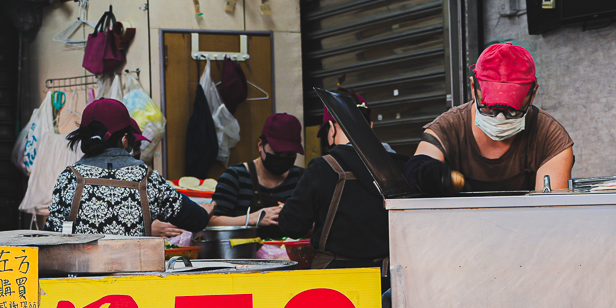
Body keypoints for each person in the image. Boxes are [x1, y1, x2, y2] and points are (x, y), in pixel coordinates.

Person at [407, 43, 574, 194]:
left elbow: (550, 213)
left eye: (512, 111)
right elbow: (419, 165)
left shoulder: (550, 137)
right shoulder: (448, 128)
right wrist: (427, 173)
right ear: (473, 88)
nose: (500, 118)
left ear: (533, 94)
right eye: (490, 108)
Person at [46, 98, 210, 237]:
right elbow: (198, 220)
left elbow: (52, 233)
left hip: (83, 274)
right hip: (134, 274)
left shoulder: (69, 178)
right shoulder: (146, 178)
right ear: (125, 140)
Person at [277, 94, 390, 264]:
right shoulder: (400, 167)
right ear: (371, 126)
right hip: (386, 277)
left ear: (332, 127)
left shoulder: (322, 168)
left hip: (336, 278)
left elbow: (292, 226)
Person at [207, 113, 305, 240]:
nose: (282, 159)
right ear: (260, 145)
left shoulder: (302, 179)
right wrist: (251, 219)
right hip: (243, 255)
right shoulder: (235, 177)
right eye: (277, 153)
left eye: (290, 155)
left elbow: (319, 226)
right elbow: (211, 222)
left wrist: (298, 221)